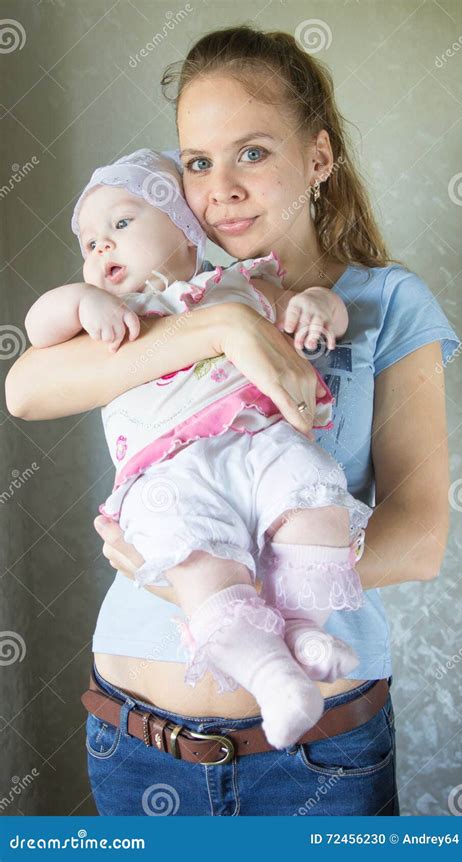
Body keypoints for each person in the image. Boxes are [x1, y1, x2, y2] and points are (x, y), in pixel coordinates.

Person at [5, 26, 460, 816]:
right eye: (197, 162)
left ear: (318, 158)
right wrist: (224, 330)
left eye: (251, 152)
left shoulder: (386, 304)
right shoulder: (168, 292)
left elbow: (420, 541)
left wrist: (188, 582)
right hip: (136, 736)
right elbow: (28, 387)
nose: (220, 188)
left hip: (321, 752)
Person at [24, 147, 372, 750]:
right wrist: (81, 302)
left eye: (122, 224)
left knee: (314, 490)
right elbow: (35, 338)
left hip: (259, 441)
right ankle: (272, 677)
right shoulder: (113, 316)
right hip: (168, 476)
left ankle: (302, 628)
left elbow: (310, 306)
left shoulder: (241, 283)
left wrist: (320, 306)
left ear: (187, 233)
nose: (101, 246)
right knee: (197, 561)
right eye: (88, 242)